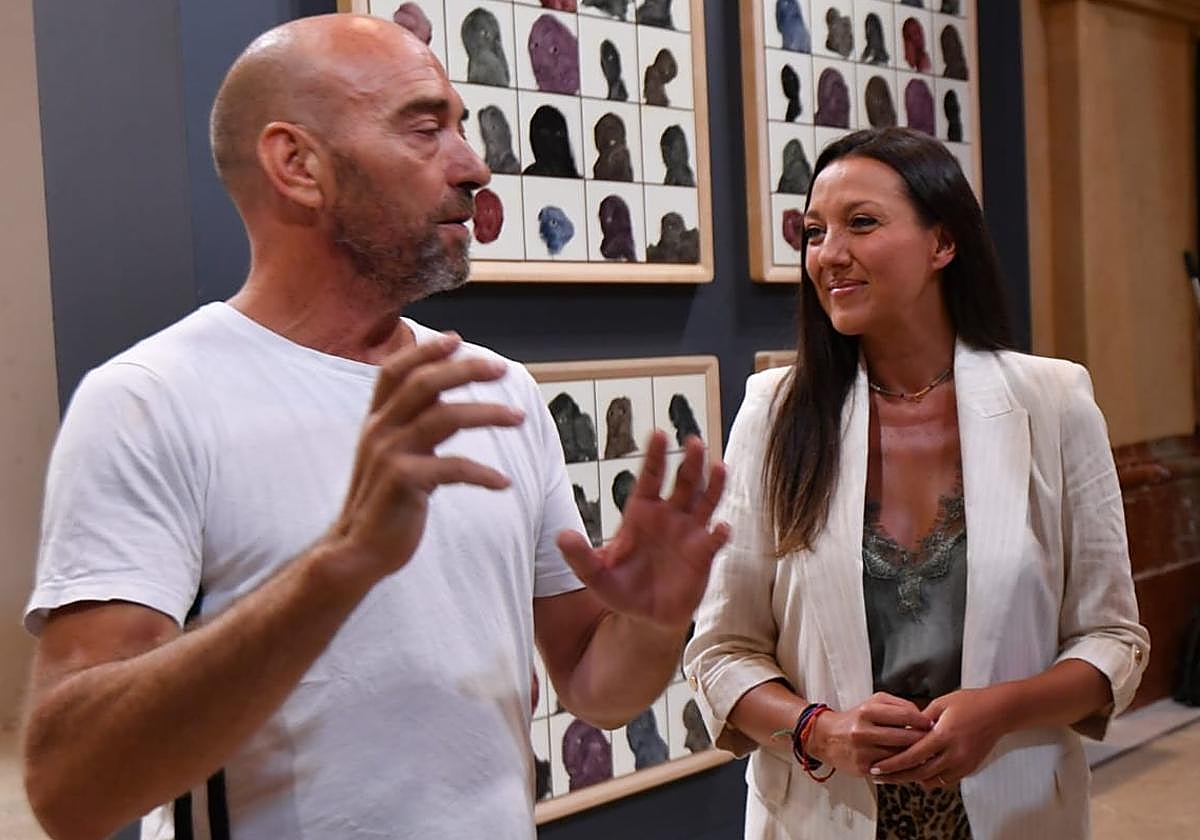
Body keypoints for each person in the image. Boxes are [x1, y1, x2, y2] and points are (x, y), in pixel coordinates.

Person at [21, 15, 729, 840]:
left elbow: (592, 686)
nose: (474, 166)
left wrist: (649, 621)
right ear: (298, 165)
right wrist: (340, 566)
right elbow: (71, 791)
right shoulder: (152, 401)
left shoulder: (498, 390)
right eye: (426, 130)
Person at [684, 128, 1149, 840]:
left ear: (943, 243)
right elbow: (720, 652)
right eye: (813, 231)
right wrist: (823, 730)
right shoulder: (775, 414)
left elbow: (1111, 640)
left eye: (861, 223)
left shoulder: (1052, 404)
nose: (828, 253)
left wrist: (999, 710)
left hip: (1015, 812)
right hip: (823, 815)